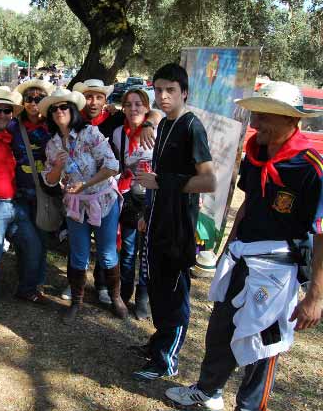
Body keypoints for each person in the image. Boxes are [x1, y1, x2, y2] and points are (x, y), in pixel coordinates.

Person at [166, 81, 323, 411]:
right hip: (242, 258)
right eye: (255, 114)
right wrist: (229, 248)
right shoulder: (255, 154)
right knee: (221, 328)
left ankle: (250, 407)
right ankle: (208, 390)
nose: (254, 124)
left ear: (290, 121)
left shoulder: (311, 167)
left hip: (278, 269)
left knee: (263, 343)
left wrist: (315, 297)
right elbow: (250, 202)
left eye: (264, 116)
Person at [132, 63, 216, 381]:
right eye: (158, 90)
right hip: (157, 219)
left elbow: (208, 181)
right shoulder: (165, 123)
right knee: (157, 286)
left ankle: (168, 359)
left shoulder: (192, 127)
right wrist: (146, 213)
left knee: (174, 290)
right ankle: (159, 343)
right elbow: (157, 176)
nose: (163, 97)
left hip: (178, 225)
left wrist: (162, 182)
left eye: (170, 91)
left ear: (185, 93)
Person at [39, 88, 125, 323]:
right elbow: (49, 179)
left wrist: (86, 184)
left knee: (107, 254)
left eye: (64, 106)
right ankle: (76, 302)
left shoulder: (90, 133)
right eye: (53, 109)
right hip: (75, 206)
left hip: (103, 201)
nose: (59, 111)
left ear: (73, 110)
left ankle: (116, 298)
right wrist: (57, 165)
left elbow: (112, 166)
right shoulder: (53, 144)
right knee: (79, 256)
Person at [0, 87, 48, 315]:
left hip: (13, 204)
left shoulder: (10, 137)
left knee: (34, 246)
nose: (2, 115)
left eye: (7, 111)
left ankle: (25, 289)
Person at [112, 88, 156, 319]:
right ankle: (125, 291)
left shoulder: (156, 131)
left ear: (147, 108)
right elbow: (119, 165)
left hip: (152, 198)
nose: (133, 109)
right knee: (128, 249)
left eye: (138, 104)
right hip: (129, 196)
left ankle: (143, 297)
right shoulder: (119, 133)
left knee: (147, 251)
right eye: (128, 105)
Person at [8, 78, 55, 295]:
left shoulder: (53, 125)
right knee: (26, 239)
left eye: (39, 98)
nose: (34, 102)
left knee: (42, 239)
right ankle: (25, 280)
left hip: (44, 193)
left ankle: (37, 282)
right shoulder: (12, 126)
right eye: (29, 98)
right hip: (18, 192)